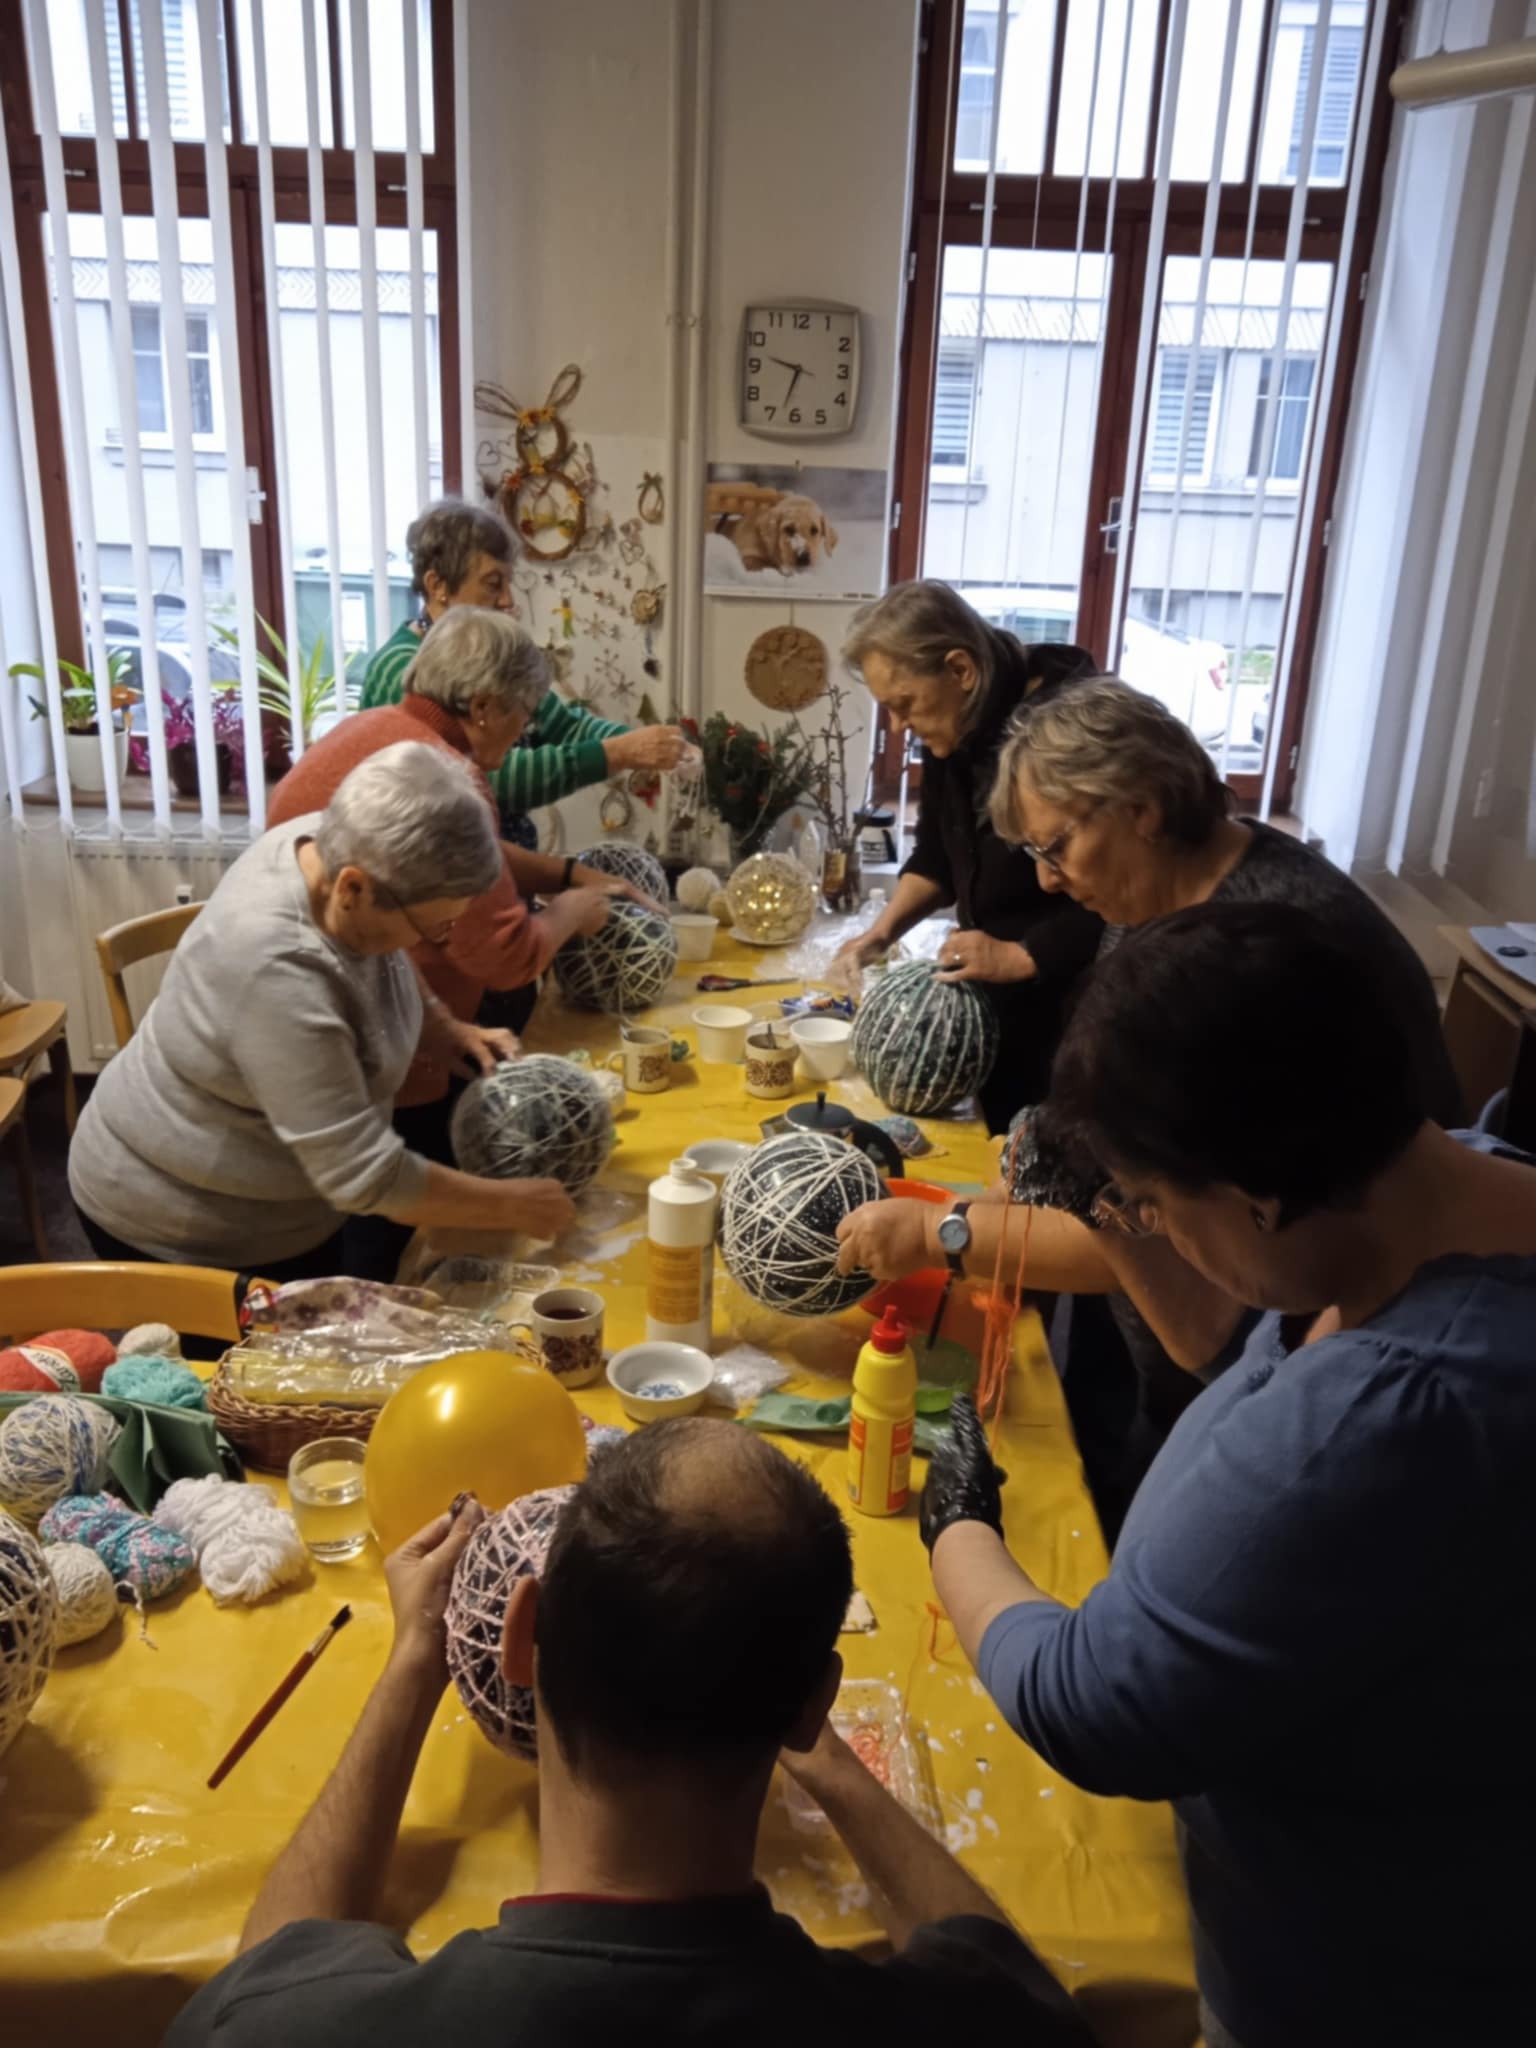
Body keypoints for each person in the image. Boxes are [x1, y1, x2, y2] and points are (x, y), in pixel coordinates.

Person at [919, 903, 1536, 2048]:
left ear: (1259, 1194)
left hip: (1368, 1988)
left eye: (1156, 1205)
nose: (1146, 1224)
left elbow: (1095, 1701)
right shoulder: (1450, 1185)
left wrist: (958, 1528)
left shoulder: (1400, 1413)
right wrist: (1120, 1203)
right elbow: (1236, 1334)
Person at [166, 1422, 1093, 2048]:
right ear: (815, 1701)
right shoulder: (982, 2026)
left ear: (518, 1638)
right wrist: (831, 1762)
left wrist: (415, 1659)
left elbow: (269, 1964)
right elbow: (1003, 1973)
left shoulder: (287, 2029)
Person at [837, 678, 1466, 1527]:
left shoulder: (1260, 953)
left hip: (1284, 1379)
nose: (1048, 881)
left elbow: (1180, 1250)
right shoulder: (1163, 893)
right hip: (1192, 1351)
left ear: (1139, 806)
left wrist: (942, 1232)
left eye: (1056, 847)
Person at [69, 743, 576, 1279]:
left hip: (294, 1202)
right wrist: (512, 1205)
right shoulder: (275, 969)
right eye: (434, 927)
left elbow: (384, 960)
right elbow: (364, 1175)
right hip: (187, 1225)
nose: (436, 939)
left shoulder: (332, 841)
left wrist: (444, 1028)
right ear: (354, 887)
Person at [268, 609, 650, 1275]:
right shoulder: (444, 771)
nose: (526, 731)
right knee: (394, 1240)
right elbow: (500, 956)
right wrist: (569, 912)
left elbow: (481, 860)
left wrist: (563, 874)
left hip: (371, 1021)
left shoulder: (382, 729)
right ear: (483, 706)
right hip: (370, 1051)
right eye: (524, 715)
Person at [830, 581, 1103, 1132]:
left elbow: (1124, 888)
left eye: (903, 704)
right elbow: (937, 857)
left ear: (960, 670)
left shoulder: (1069, 732)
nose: (897, 726)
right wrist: (879, 935)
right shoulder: (956, 728)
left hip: (1076, 1017)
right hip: (1000, 1005)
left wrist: (1025, 954)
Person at [361, 497, 694, 838]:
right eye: (493, 584)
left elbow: (564, 725)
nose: (508, 600)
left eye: (509, 584)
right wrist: (619, 753)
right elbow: (483, 781)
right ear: (438, 586)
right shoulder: (401, 670)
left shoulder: (488, 658)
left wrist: (651, 745)